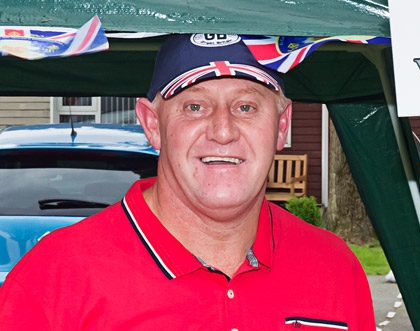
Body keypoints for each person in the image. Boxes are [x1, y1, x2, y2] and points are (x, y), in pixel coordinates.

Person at [0, 34, 375, 330]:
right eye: (195, 106)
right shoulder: (52, 279)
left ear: (281, 126)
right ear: (152, 125)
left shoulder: (334, 266)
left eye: (246, 107)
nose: (223, 130)